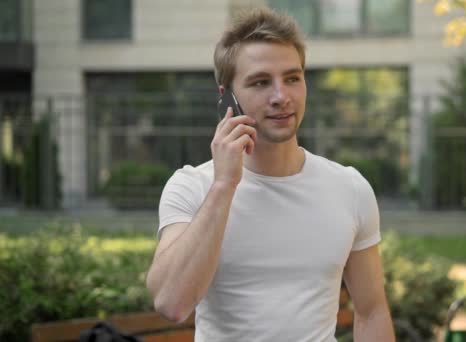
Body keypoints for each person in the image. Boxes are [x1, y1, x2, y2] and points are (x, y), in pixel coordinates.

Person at [145, 7, 395, 342]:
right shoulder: (192, 187)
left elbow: (372, 311)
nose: (281, 97)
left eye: (292, 78)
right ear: (227, 97)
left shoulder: (349, 187)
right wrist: (224, 185)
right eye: (261, 82)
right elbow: (171, 303)